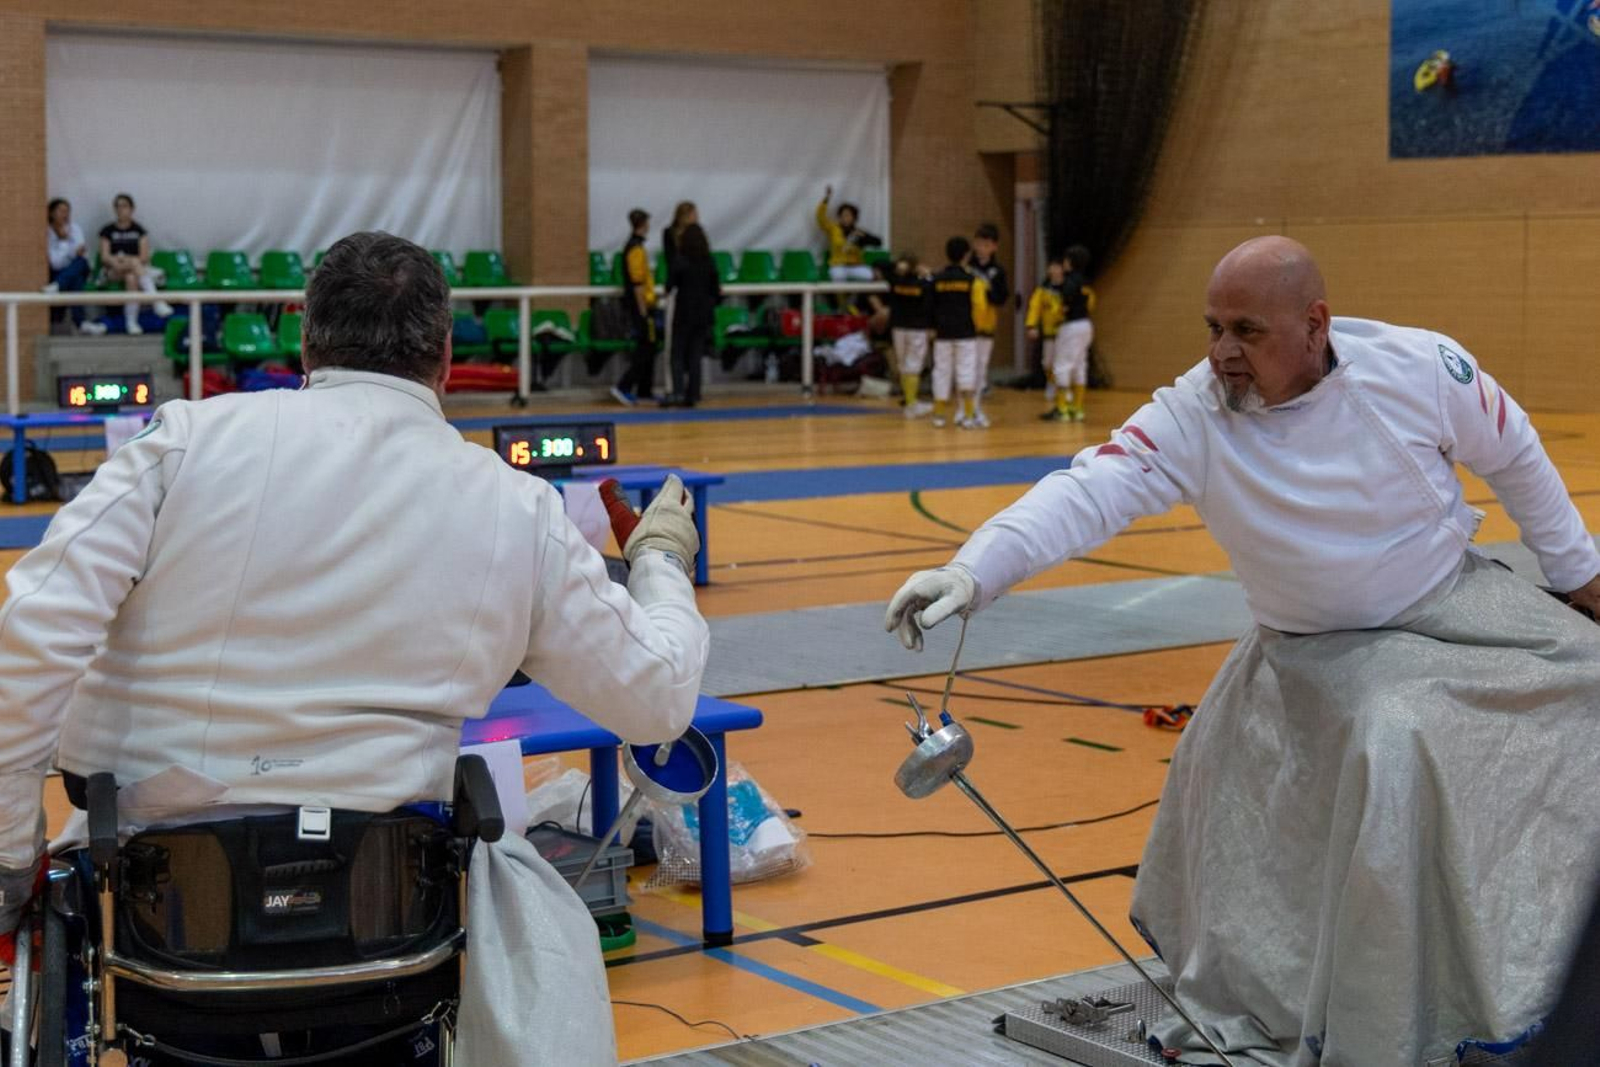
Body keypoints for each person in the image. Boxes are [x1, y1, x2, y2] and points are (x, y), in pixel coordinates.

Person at [885, 235, 1600, 1065]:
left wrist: (1579, 571)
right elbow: (1091, 487)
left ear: (1315, 324)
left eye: (1247, 331)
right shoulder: (1192, 413)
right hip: (1317, 656)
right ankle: (1396, 1003)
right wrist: (971, 570)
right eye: (1213, 327)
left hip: (1458, 601)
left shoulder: (1421, 368)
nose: (1223, 352)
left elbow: (1514, 453)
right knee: (1398, 736)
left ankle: (1554, 962)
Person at [0, 232, 708, 1064]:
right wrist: (659, 562)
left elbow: (28, 645)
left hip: (168, 945)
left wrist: (10, 854)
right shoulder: (517, 507)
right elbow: (657, 699)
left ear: (305, 336)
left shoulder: (180, 443)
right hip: (390, 949)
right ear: (446, 357)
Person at [928, 236, 986, 429]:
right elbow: (979, 308)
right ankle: (968, 416)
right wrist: (976, 327)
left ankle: (938, 415)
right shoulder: (972, 281)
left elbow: (930, 307)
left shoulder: (936, 279)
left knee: (941, 372)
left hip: (942, 334)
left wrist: (933, 327)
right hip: (966, 333)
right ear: (966, 255)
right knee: (966, 372)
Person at [97, 192, 172, 335]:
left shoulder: (138, 230)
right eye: (117, 206)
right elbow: (105, 257)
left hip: (132, 269)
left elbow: (144, 257)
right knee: (134, 264)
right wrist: (118, 262)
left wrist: (127, 261)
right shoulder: (107, 230)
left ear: (132, 209)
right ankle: (156, 301)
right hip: (112, 271)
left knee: (131, 277)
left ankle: (131, 322)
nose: (121, 209)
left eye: (124, 206)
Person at [664, 222, 720, 408]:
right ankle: (694, 393)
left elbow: (669, 285)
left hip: (684, 311)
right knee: (695, 355)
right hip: (703, 313)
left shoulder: (680, 260)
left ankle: (678, 392)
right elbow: (716, 290)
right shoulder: (709, 261)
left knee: (678, 353)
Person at [610, 208, 659, 407]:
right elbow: (637, 282)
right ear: (643, 224)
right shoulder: (635, 249)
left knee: (650, 347)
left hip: (643, 306)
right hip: (640, 308)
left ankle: (645, 389)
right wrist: (643, 310)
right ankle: (623, 386)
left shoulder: (636, 246)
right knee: (644, 349)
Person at [968, 223, 1009, 427]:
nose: (981, 248)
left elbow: (1001, 298)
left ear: (994, 246)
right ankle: (963, 410)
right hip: (966, 326)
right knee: (965, 369)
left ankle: (975, 408)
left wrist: (986, 290)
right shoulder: (968, 267)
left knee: (980, 368)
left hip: (985, 326)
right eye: (978, 243)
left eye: (985, 244)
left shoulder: (998, 271)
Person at [1051, 244, 1094, 422]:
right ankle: (1077, 408)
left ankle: (1062, 408)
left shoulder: (1070, 281)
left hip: (1071, 326)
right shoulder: (1085, 281)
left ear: (1069, 262)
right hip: (1086, 325)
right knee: (1080, 365)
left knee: (1062, 365)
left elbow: (1064, 302)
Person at [888, 255, 934, 419]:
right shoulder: (924, 284)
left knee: (903, 364)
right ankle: (912, 404)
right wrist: (928, 274)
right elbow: (931, 293)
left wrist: (899, 268)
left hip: (898, 328)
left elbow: (885, 270)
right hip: (917, 329)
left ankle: (909, 402)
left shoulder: (895, 282)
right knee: (913, 365)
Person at [1025, 259, 1067, 420]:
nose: (1055, 269)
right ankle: (1052, 383)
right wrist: (1031, 325)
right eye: (1053, 266)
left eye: (1058, 266)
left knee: (1063, 364)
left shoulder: (1068, 287)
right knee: (1047, 363)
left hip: (1064, 333)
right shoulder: (1043, 290)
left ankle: (1063, 390)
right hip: (1049, 333)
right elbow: (1034, 309)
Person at [815, 185, 882, 281]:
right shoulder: (833, 228)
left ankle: (861, 296)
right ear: (839, 217)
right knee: (838, 276)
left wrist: (865, 236)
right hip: (838, 265)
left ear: (854, 218)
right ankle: (840, 296)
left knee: (870, 276)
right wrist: (826, 199)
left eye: (849, 216)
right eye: (843, 215)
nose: (845, 218)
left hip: (856, 265)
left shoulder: (858, 232)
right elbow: (820, 217)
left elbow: (878, 242)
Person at [662, 201, 697, 272]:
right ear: (685, 216)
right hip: (677, 273)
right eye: (694, 214)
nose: (696, 217)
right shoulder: (669, 232)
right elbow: (670, 257)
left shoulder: (696, 231)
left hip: (693, 272)